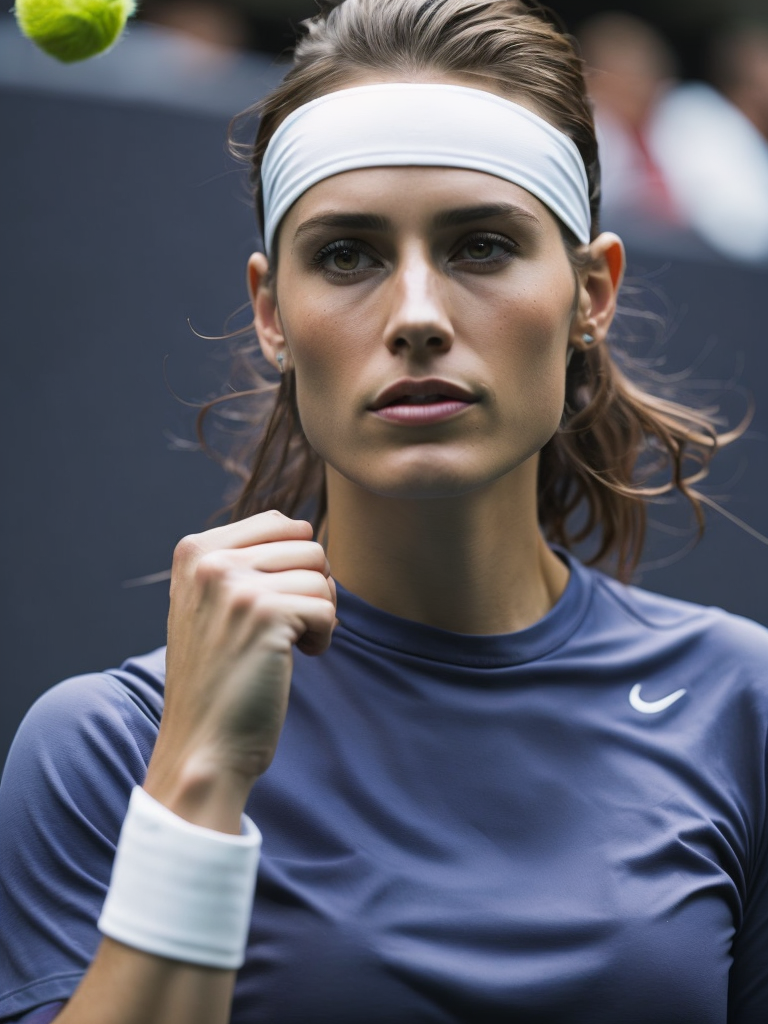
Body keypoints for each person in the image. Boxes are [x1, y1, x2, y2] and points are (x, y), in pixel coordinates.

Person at [1, 1, 767, 1022]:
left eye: (484, 245)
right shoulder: (113, 744)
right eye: (349, 256)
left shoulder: (745, 709)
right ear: (274, 313)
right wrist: (196, 785)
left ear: (592, 293)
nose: (415, 317)